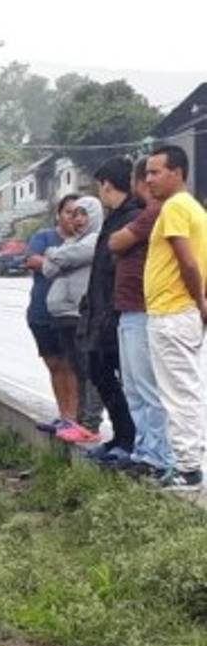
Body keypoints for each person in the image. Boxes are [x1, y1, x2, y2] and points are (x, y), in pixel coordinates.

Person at [139, 146, 207, 491]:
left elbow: (189, 262)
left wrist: (200, 300)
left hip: (173, 311)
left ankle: (189, 469)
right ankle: (190, 461)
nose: (148, 179)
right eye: (148, 173)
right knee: (185, 389)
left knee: (179, 392)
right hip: (179, 311)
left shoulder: (176, 207)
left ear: (177, 172)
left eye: (155, 172)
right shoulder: (192, 207)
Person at [108, 157, 174, 479]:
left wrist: (121, 239)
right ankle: (144, 449)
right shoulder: (149, 213)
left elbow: (116, 241)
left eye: (152, 174)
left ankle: (158, 455)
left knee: (148, 389)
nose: (147, 182)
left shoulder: (155, 213)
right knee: (134, 387)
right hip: (129, 310)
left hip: (142, 309)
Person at [81, 157, 144, 464]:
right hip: (100, 310)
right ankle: (120, 436)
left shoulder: (132, 218)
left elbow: (118, 272)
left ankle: (130, 440)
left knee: (125, 379)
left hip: (117, 312)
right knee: (98, 371)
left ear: (107, 185)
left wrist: (107, 313)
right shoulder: (114, 218)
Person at [43, 196, 103, 444]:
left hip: (81, 313)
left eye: (83, 214)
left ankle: (90, 423)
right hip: (62, 315)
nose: (77, 220)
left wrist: (53, 253)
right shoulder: (72, 241)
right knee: (77, 369)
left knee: (89, 370)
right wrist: (60, 255)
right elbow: (47, 269)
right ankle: (77, 421)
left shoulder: (95, 239)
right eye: (74, 214)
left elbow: (60, 259)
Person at [26, 196, 78, 433]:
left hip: (71, 314)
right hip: (41, 312)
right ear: (59, 214)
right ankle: (63, 413)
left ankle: (73, 417)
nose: (73, 218)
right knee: (55, 364)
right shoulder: (44, 237)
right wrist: (63, 261)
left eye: (78, 213)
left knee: (71, 364)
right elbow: (33, 260)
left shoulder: (85, 241)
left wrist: (54, 261)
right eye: (68, 212)